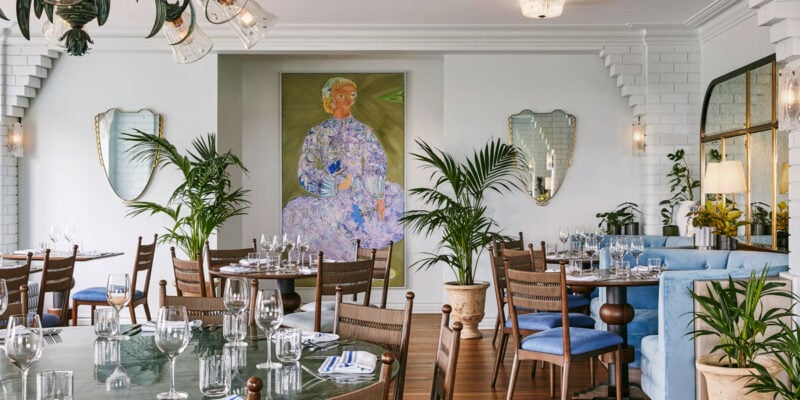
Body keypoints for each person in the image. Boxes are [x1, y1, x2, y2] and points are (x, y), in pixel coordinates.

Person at [282, 77, 404, 262]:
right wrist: (335, 185)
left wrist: (378, 195)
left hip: (362, 194)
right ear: (330, 98)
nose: (348, 100)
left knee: (394, 197)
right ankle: (340, 271)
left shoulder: (362, 130)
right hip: (333, 196)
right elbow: (305, 169)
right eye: (341, 95)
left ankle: (358, 267)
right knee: (297, 212)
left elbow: (375, 160)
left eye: (352, 95)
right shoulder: (317, 132)